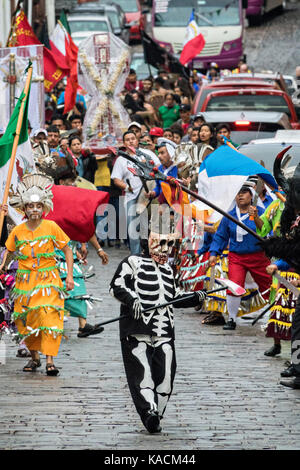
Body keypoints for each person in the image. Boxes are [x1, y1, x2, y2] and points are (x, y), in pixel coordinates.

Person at [109, 220, 206, 433]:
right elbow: (116, 285)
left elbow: (174, 298)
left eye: (170, 245)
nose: (166, 249)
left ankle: (157, 413)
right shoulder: (132, 262)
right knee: (141, 373)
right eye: (160, 243)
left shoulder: (169, 270)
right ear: (147, 242)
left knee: (166, 376)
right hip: (137, 329)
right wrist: (133, 299)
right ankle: (148, 412)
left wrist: (194, 297)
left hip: (164, 332)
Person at [6, 173, 74, 375]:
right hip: (24, 282)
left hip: (49, 281)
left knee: (49, 318)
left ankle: (50, 361)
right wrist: (3, 268)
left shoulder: (52, 227)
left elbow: (67, 249)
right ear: (24, 209)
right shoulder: (17, 230)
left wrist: (69, 276)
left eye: (38, 206)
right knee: (26, 319)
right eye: (30, 206)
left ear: (44, 207)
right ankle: (34, 358)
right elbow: (9, 252)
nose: (34, 210)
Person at [209, 184, 272, 330]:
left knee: (269, 285)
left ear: (251, 196)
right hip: (237, 257)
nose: (240, 195)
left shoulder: (261, 212)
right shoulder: (229, 216)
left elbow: (267, 232)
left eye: (244, 192)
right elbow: (220, 236)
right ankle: (231, 319)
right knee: (234, 285)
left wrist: (256, 217)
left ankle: (273, 317)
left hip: (258, 256)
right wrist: (214, 253)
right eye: (238, 193)